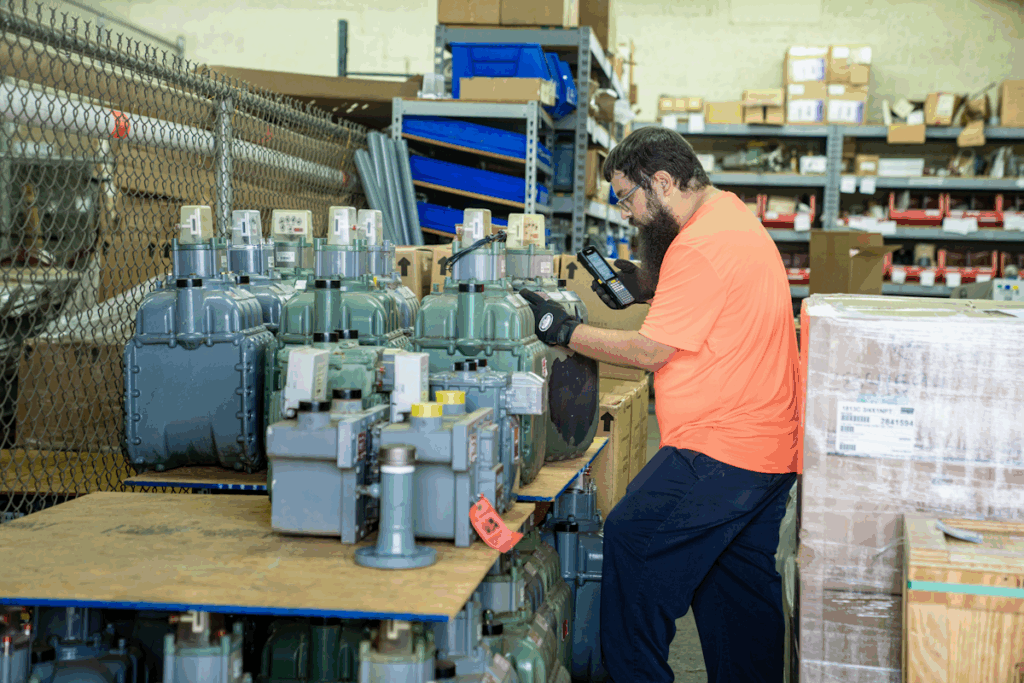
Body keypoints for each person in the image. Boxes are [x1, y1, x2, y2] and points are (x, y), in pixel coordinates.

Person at [518, 126, 800, 683]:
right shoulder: (731, 218)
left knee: (631, 541)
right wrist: (652, 285)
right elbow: (713, 301)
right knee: (735, 596)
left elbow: (650, 349)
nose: (626, 213)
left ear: (663, 181)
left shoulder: (700, 246)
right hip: (771, 451)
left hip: (721, 448)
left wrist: (566, 329)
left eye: (628, 197)